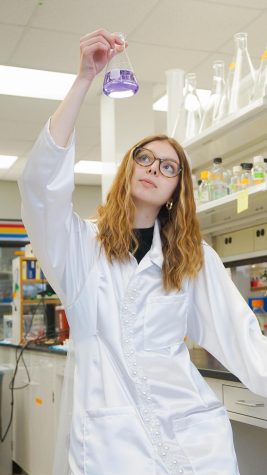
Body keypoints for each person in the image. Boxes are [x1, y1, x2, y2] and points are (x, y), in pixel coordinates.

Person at [18, 29, 267, 475]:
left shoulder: (194, 259)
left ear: (175, 191)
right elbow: (40, 188)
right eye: (144, 158)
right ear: (128, 169)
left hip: (192, 433)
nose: (154, 168)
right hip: (110, 442)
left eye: (168, 166)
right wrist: (83, 80)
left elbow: (243, 340)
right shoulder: (80, 248)